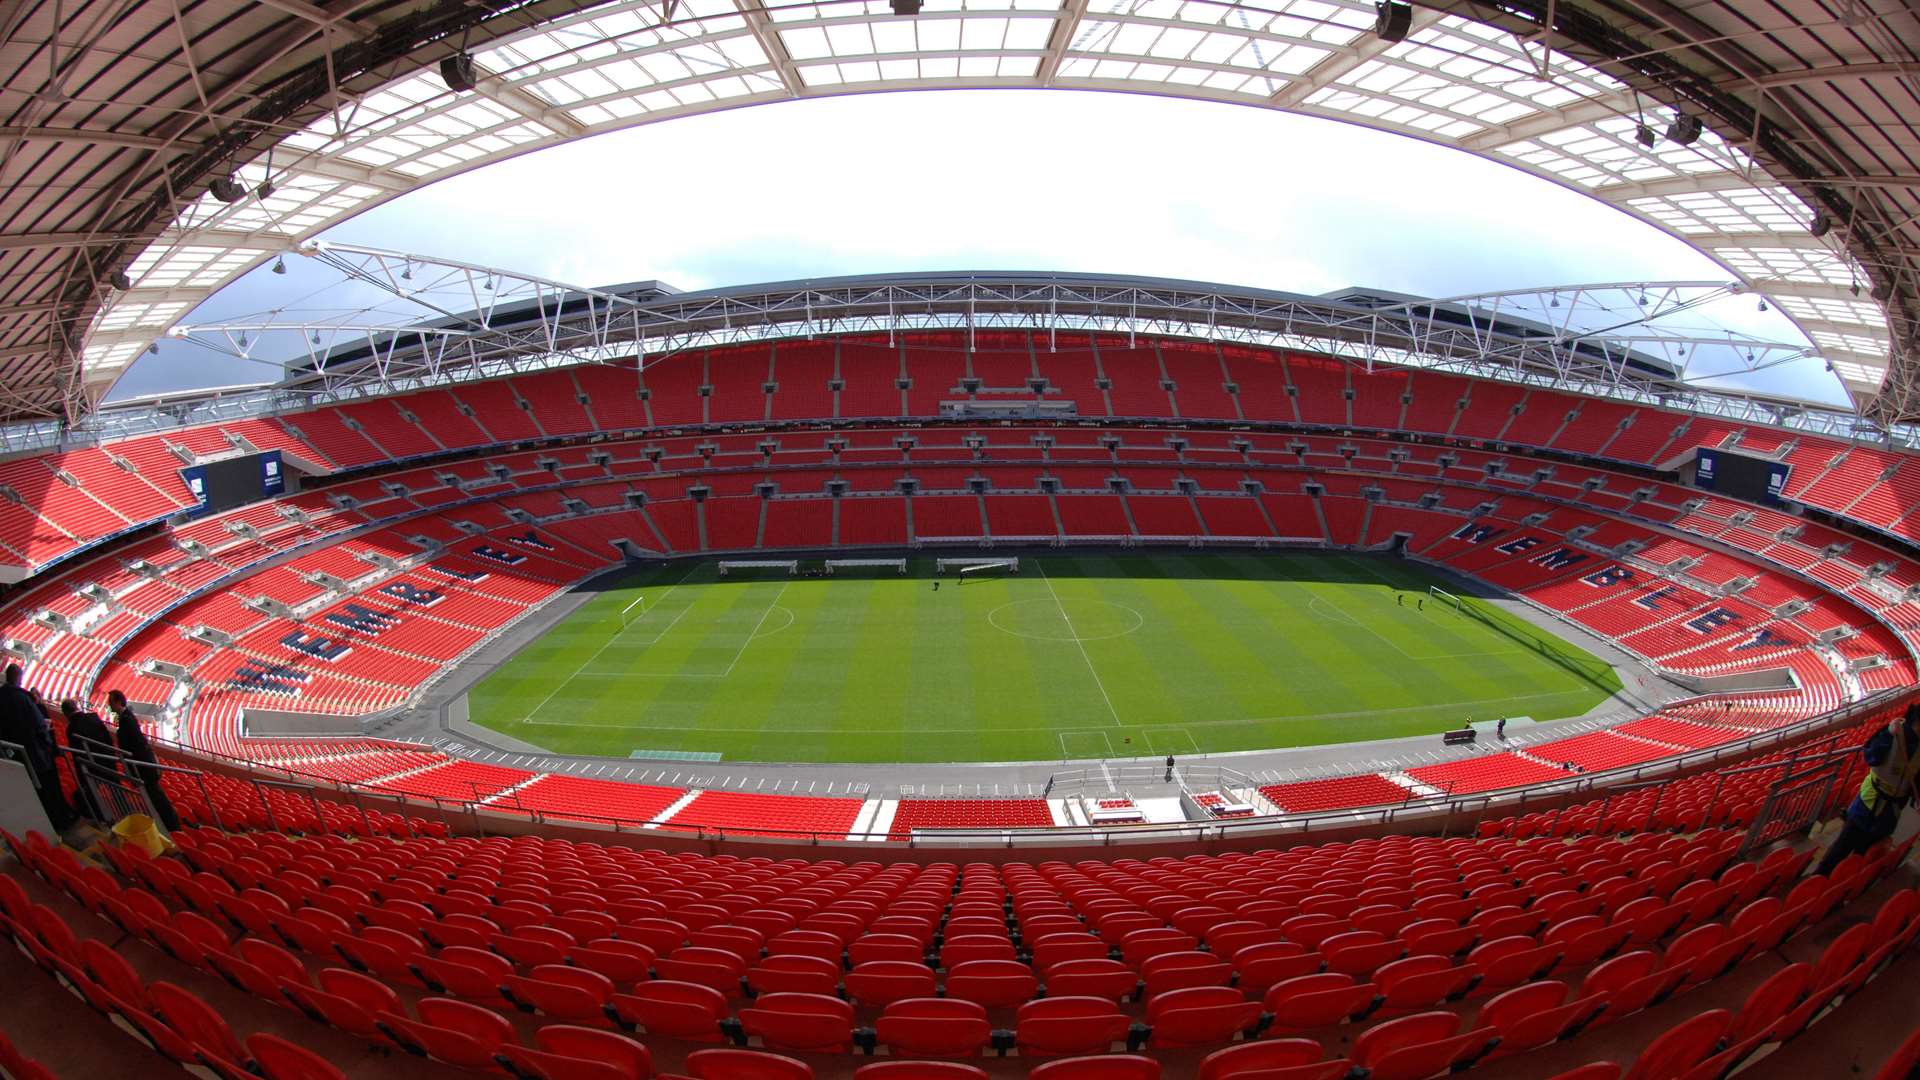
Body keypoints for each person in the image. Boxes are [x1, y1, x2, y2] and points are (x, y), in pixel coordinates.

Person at [1815, 704, 1920, 877]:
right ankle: (1820, 878)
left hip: (1891, 810)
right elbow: (1871, 756)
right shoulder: (1892, 733)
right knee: (1841, 847)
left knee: (1863, 853)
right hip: (1868, 801)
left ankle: (1842, 883)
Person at [0, 663, 75, 831]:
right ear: (19, 678)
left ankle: (50, 822)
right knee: (50, 789)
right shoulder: (22, 697)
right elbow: (38, 726)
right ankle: (61, 821)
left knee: (38, 792)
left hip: (19, 756)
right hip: (37, 755)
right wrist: (47, 737)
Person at [108, 690, 180, 832]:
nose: (109, 705)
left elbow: (135, 745)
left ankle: (171, 826)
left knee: (156, 797)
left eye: (111, 702)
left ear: (117, 702)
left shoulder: (127, 719)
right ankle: (169, 824)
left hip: (143, 768)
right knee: (155, 797)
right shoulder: (126, 717)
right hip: (142, 766)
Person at [61, 699, 121, 824]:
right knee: (117, 790)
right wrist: (112, 755)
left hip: (91, 767)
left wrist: (81, 775)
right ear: (76, 706)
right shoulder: (93, 717)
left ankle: (102, 819)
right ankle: (125, 815)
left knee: (92, 791)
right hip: (107, 760)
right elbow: (108, 739)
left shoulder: (71, 728)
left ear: (66, 713)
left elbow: (77, 753)